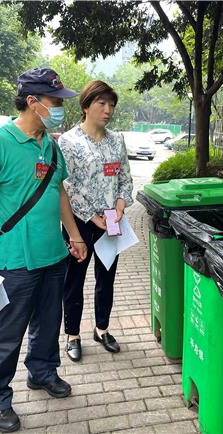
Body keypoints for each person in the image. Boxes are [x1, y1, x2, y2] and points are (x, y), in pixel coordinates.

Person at [0, 67, 87, 433]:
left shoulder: (50, 144)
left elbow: (58, 192)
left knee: (48, 324)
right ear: (32, 101)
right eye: (54, 101)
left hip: (53, 255)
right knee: (5, 333)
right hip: (13, 260)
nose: (60, 106)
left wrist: (75, 237)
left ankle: (43, 372)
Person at [58, 80, 133, 362]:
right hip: (79, 223)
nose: (108, 110)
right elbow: (66, 186)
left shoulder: (117, 141)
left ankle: (102, 329)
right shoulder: (69, 141)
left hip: (112, 221)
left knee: (107, 278)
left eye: (111, 105)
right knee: (74, 280)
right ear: (86, 106)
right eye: (102, 103)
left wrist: (121, 207)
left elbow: (125, 179)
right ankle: (72, 334)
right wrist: (92, 216)